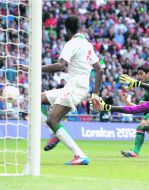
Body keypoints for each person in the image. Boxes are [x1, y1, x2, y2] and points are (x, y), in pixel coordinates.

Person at [37, 16, 103, 165]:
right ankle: (55, 133)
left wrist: (36, 68)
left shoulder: (71, 43)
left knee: (51, 120)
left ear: (67, 29)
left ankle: (79, 155)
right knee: (37, 99)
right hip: (75, 86)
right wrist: (95, 94)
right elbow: (99, 71)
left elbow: (61, 65)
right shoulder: (87, 44)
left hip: (75, 87)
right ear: (79, 26)